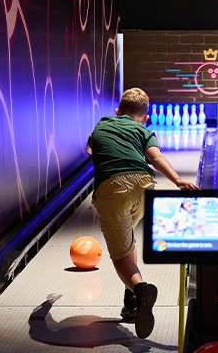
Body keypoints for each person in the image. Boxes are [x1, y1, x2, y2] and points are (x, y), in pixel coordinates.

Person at [87, 88, 199, 338]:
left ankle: (141, 290)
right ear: (145, 116)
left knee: (119, 256)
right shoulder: (144, 130)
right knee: (128, 243)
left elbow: (91, 151)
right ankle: (130, 304)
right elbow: (155, 157)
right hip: (145, 185)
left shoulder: (103, 124)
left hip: (113, 187)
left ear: (117, 110)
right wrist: (179, 181)